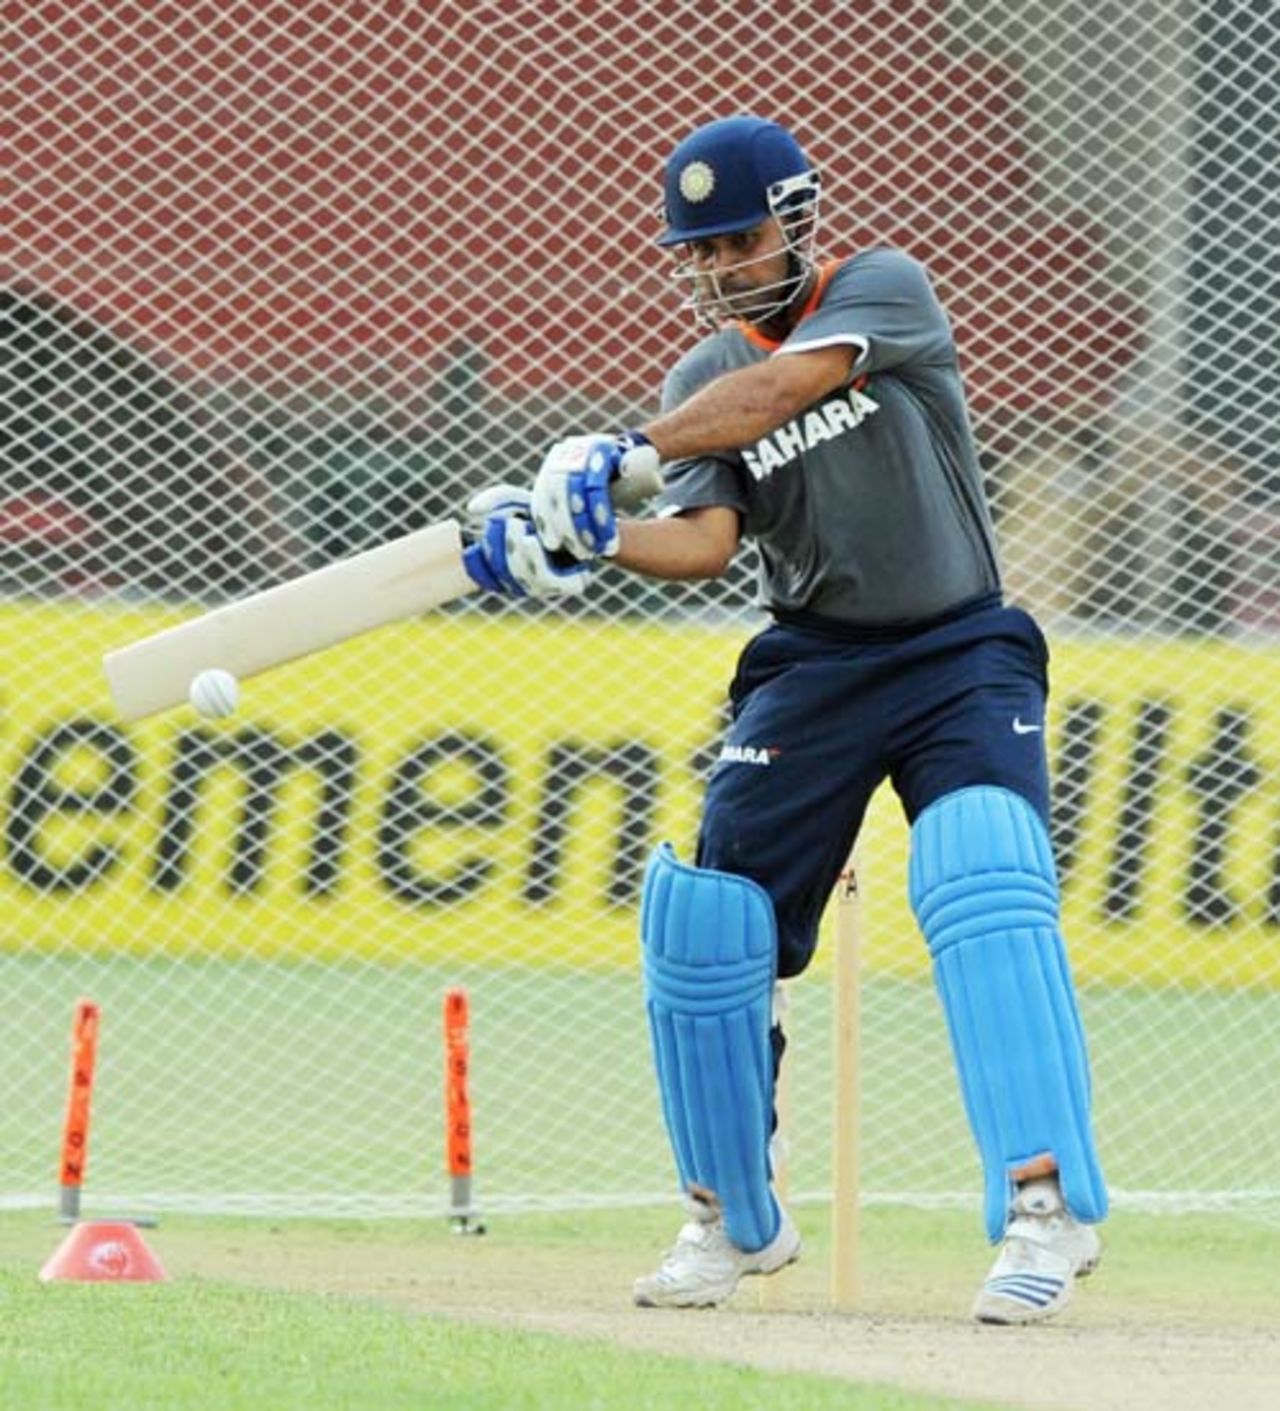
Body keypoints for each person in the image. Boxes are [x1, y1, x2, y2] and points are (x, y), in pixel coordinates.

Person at [462, 114, 1108, 1324]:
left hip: (955, 644)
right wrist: (587, 538)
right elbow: (706, 542)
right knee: (707, 926)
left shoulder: (881, 291)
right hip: (808, 665)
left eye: (737, 238)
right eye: (695, 248)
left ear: (797, 219)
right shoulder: (697, 379)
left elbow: (788, 387)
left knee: (983, 874)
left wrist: (618, 451)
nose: (716, 266)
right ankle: (728, 1221)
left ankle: (1044, 1210)